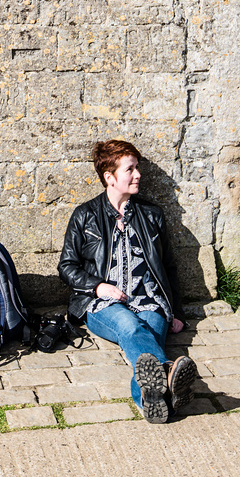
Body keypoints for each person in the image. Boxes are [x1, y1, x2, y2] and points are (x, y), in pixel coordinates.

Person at [58, 139, 197, 423]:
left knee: (148, 339)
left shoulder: (151, 215)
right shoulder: (85, 216)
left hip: (150, 300)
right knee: (131, 327)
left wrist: (177, 312)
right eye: (130, 169)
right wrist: (98, 286)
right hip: (102, 305)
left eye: (138, 168)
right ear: (109, 177)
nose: (138, 175)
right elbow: (66, 266)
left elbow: (169, 267)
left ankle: (154, 403)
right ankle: (169, 374)